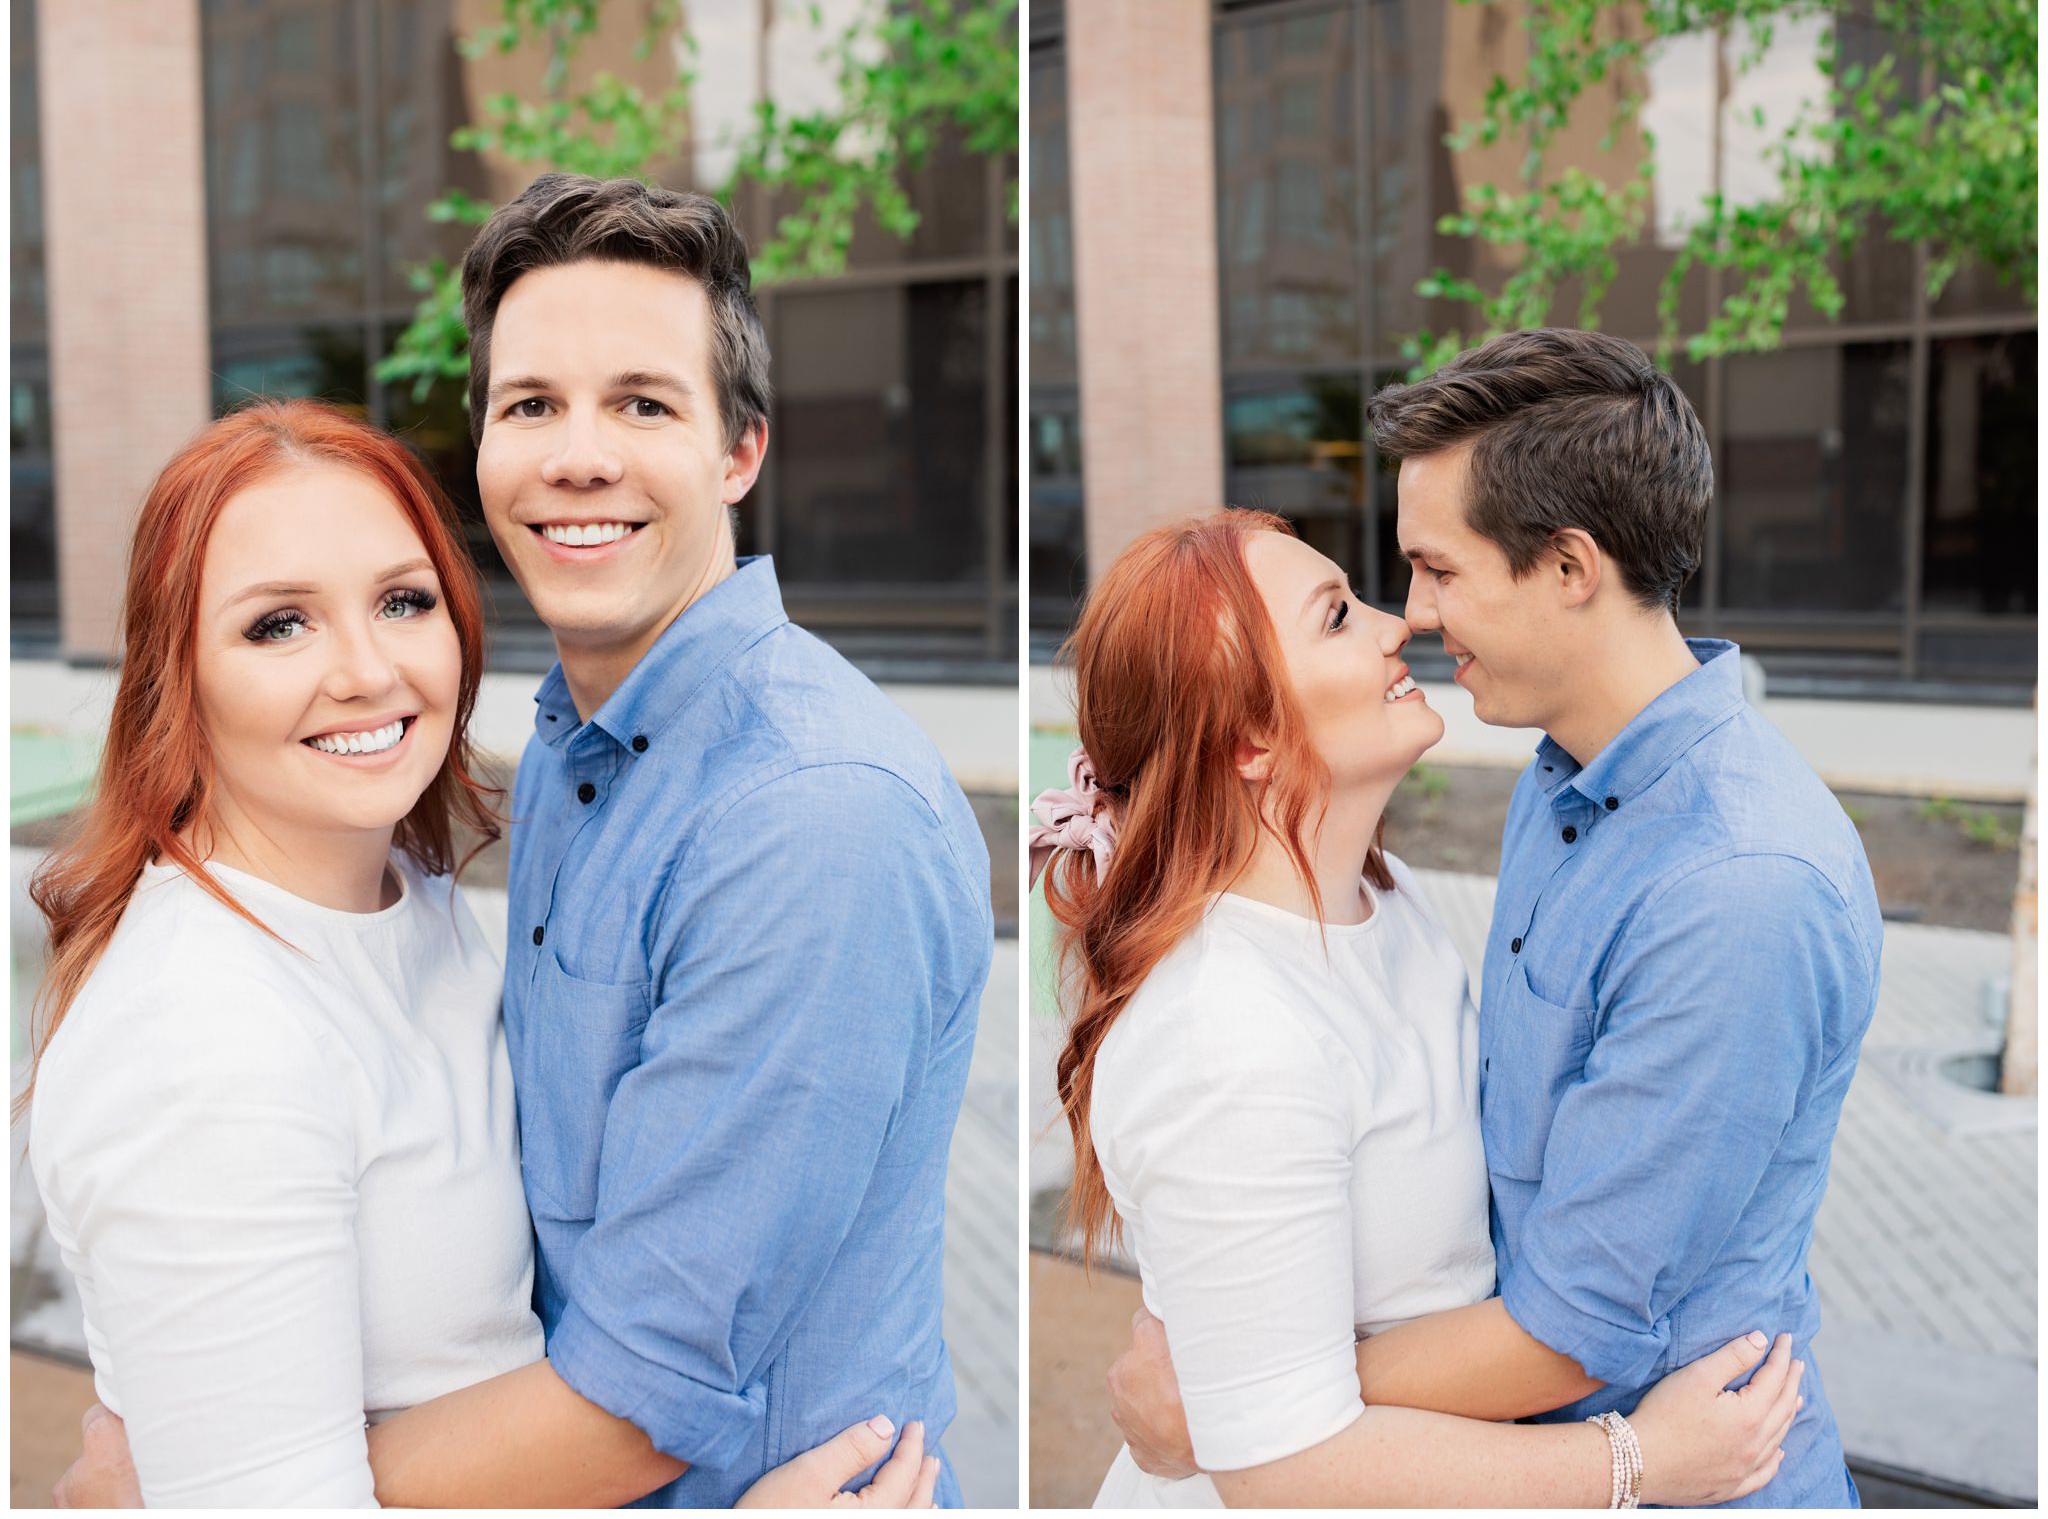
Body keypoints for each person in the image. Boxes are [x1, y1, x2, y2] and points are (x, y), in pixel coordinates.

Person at [27, 401, 937, 1508]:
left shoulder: (416, 907)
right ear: (176, 677)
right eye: (278, 625)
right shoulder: (202, 1038)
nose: (366, 670)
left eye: (402, 601)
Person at [1100, 331, 1882, 1507]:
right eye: (1368, 591)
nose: (1407, 614)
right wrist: (1248, 1387)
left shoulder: (1734, 888)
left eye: (1436, 569)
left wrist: (1234, 1397)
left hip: (1692, 1469)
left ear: (1568, 568)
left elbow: (1573, 1330)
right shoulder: (1557, 782)